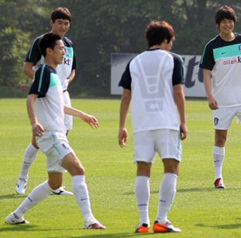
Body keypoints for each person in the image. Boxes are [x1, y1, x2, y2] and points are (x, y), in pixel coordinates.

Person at [5, 33, 105, 229]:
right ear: (49, 51)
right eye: (60, 48)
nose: (63, 52)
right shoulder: (43, 72)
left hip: (55, 134)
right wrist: (34, 123)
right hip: (51, 135)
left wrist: (82, 115)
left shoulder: (54, 76)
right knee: (78, 169)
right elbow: (31, 97)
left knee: (55, 182)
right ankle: (89, 219)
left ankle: (16, 215)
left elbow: (59, 106)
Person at [119, 20, 186, 233]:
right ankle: (162, 219)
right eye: (171, 40)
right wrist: (183, 121)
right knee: (172, 168)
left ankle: (143, 222)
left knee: (143, 170)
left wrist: (122, 125)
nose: (172, 45)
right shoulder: (173, 59)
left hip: (141, 124)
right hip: (167, 122)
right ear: (166, 40)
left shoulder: (134, 62)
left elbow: (126, 96)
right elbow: (178, 92)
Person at [199, 5, 241, 189]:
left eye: (230, 21)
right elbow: (206, 73)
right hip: (222, 101)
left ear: (234, 22)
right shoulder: (212, 46)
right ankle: (218, 177)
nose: (228, 24)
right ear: (218, 24)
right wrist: (210, 96)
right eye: (224, 22)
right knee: (221, 138)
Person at [16, 7, 77, 196]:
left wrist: (66, 81)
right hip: (45, 95)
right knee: (38, 138)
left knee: (62, 137)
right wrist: (42, 84)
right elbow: (27, 67)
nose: (63, 26)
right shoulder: (41, 42)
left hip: (63, 94)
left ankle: (55, 185)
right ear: (52, 22)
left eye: (66, 23)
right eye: (59, 22)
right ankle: (22, 179)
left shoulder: (68, 44)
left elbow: (73, 70)